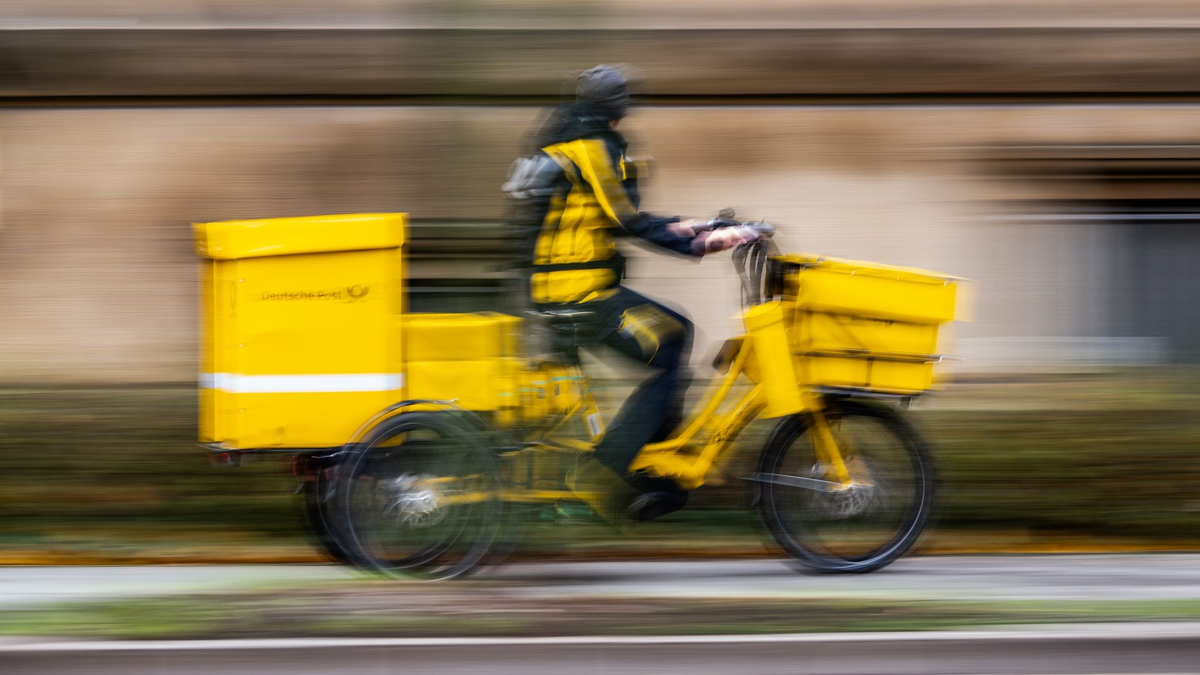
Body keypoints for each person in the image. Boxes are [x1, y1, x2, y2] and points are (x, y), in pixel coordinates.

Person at [503, 65, 758, 525]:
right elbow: (627, 220)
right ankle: (608, 472)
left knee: (673, 337)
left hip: (559, 289)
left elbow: (617, 216)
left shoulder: (565, 141)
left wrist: (704, 226)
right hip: (578, 296)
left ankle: (648, 466)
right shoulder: (591, 148)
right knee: (671, 340)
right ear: (618, 110)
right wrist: (703, 243)